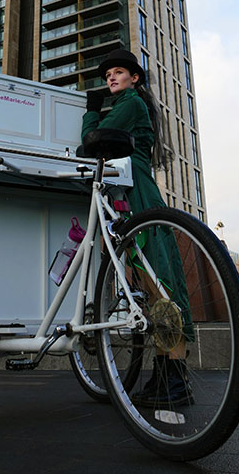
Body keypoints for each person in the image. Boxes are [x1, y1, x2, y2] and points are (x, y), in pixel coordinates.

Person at [82, 48, 194, 408]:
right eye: (108, 75)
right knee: (151, 290)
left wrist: (90, 111)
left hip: (139, 196)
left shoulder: (130, 103)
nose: (111, 78)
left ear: (134, 78)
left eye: (118, 72)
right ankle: (166, 377)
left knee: (159, 287)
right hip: (130, 195)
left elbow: (92, 140)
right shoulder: (128, 104)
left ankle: (175, 379)